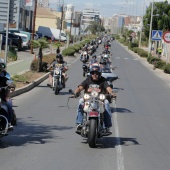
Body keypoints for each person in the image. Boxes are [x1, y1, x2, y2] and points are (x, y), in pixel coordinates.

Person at [73, 65, 116, 134]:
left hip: (100, 99)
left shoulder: (103, 80)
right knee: (80, 101)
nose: (94, 75)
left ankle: (107, 126)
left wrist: (111, 93)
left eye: (96, 73)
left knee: (107, 103)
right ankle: (79, 123)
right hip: (88, 99)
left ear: (99, 74)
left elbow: (108, 88)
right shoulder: (88, 80)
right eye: (93, 73)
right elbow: (80, 87)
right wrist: (76, 92)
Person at [0, 61, 15, 129]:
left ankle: (9, 122)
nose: (0, 67)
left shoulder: (6, 75)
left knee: (9, 103)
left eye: (2, 66)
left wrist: (11, 86)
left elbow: (10, 84)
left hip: (4, 95)